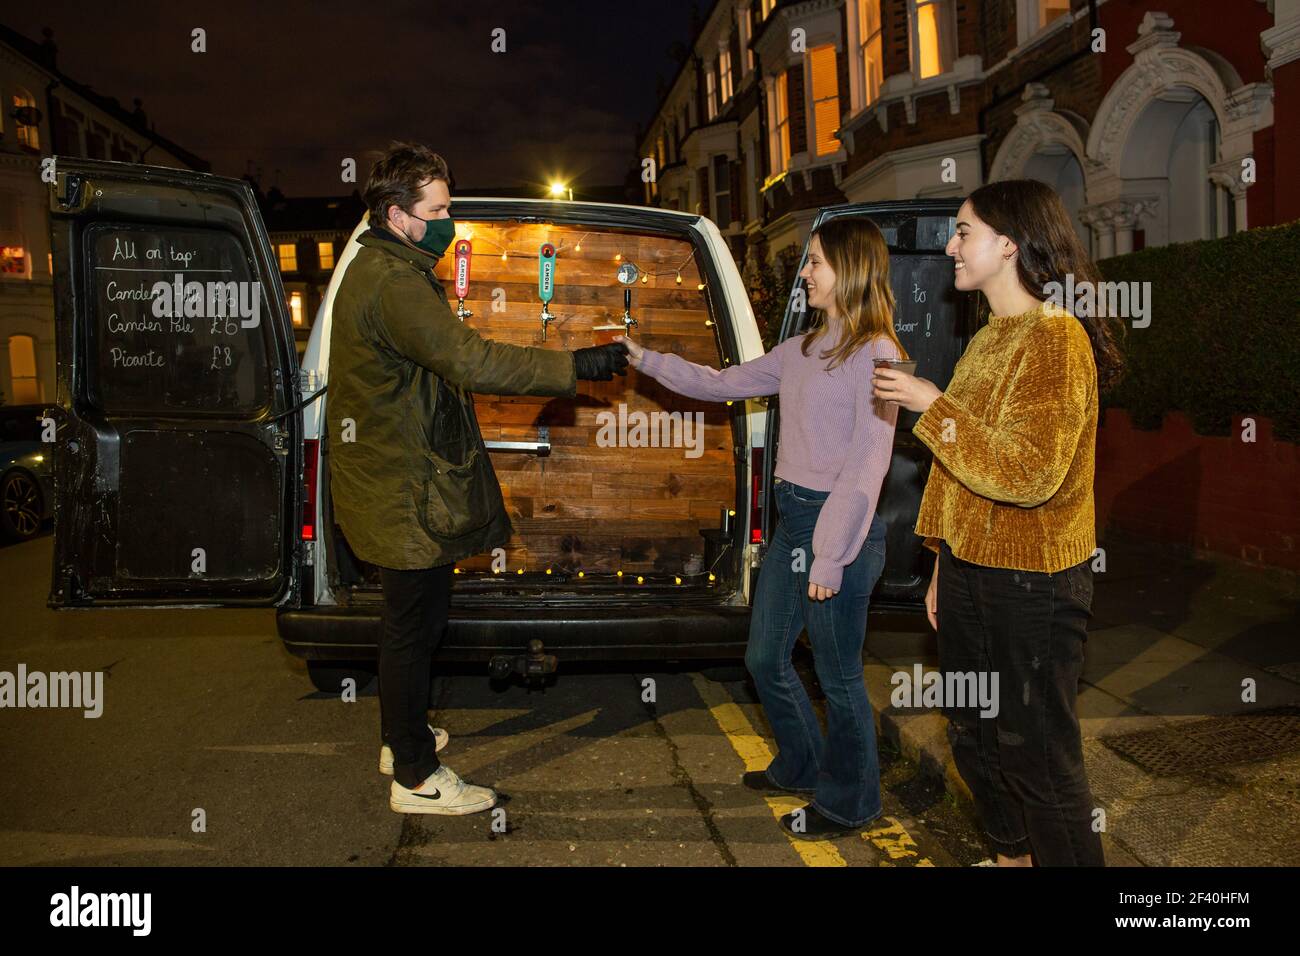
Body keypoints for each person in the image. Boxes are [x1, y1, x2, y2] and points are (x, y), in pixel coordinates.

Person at [328, 142, 629, 814]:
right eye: (438, 211)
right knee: (411, 627)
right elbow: (470, 360)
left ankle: (399, 736)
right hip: (401, 488)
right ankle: (414, 777)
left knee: (417, 621)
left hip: (395, 479)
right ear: (400, 214)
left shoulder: (383, 264)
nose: (448, 223)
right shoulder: (394, 284)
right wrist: (574, 365)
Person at [618, 216, 904, 838]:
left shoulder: (879, 354)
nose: (805, 273)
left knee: (839, 676)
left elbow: (867, 463)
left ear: (852, 270)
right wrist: (646, 360)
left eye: (816, 263)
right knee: (764, 656)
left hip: (841, 532)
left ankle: (851, 802)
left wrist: (829, 557)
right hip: (793, 521)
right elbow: (722, 384)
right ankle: (801, 762)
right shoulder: (801, 349)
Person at [872, 179, 1125, 866]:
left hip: (1033, 583)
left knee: (1034, 751)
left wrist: (930, 405)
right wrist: (939, 562)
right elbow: (961, 469)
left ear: (1009, 244)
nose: (951, 245)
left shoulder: (1054, 337)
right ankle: (1013, 858)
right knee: (975, 738)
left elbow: (1028, 474)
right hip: (971, 572)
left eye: (963, 231)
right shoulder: (989, 336)